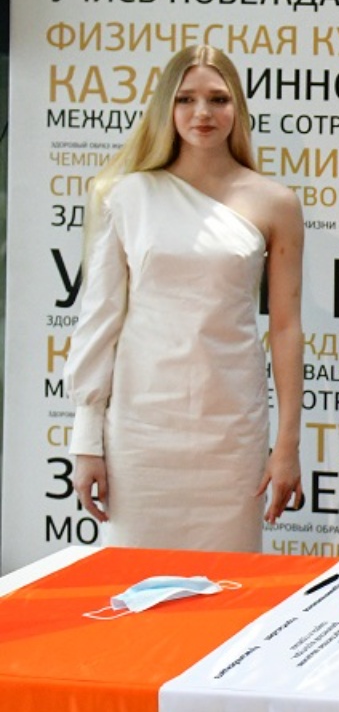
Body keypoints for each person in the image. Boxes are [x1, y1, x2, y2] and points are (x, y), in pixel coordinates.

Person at [66, 45, 305, 552]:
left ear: (237, 107)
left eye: (218, 99)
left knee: (228, 586)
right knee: (133, 585)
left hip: (231, 431)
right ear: (166, 108)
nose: (202, 113)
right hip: (140, 430)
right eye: (186, 99)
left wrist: (287, 445)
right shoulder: (125, 195)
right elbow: (100, 319)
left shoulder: (276, 203)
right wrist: (86, 442)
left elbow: (285, 328)